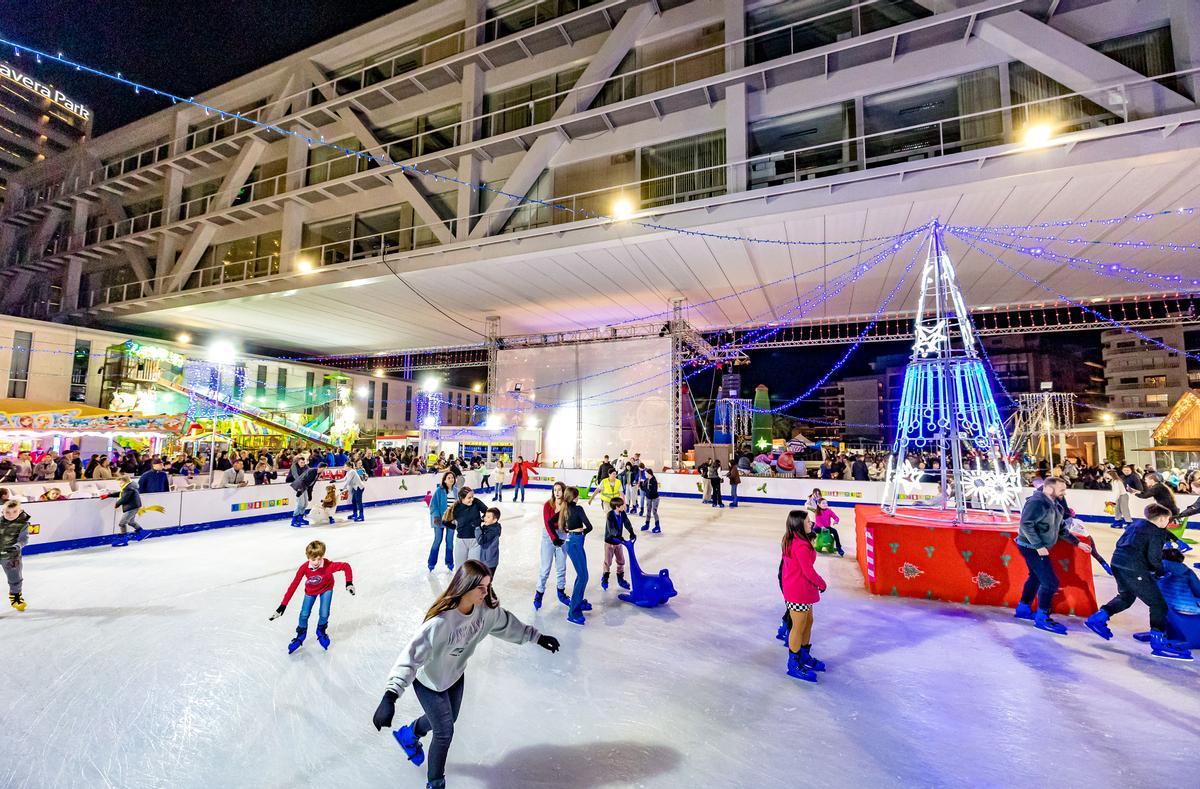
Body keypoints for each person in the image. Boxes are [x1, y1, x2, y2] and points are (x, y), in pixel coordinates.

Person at [372, 561, 560, 789]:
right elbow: (410, 657)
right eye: (480, 587)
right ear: (465, 586)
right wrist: (390, 696)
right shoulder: (440, 623)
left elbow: (508, 624)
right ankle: (435, 783)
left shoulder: (486, 612)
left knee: (449, 720)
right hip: (428, 681)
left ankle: (409, 734)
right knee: (444, 733)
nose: (486, 592)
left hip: (455, 676)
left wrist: (537, 637)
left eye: (488, 586)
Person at [1084, 503, 1190, 660]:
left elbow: (1122, 542)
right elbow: (1154, 558)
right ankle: (1158, 641)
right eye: (1167, 520)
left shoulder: (1138, 523)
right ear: (1161, 519)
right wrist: (1160, 572)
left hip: (1118, 562)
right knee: (1158, 605)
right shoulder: (1157, 532)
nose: (1168, 523)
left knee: (1126, 597)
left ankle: (1097, 618)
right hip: (1134, 569)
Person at [1014, 477, 1092, 635]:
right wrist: (1038, 545)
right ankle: (1042, 618)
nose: (1064, 492)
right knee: (1050, 583)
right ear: (1049, 489)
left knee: (1035, 577)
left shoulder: (1055, 503)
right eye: (1062, 489)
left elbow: (1061, 528)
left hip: (1037, 547)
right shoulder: (1037, 503)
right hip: (1031, 547)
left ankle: (1023, 608)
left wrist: (1077, 543)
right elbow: (1026, 525)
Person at [269, 539, 354, 653]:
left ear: (322, 556)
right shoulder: (304, 568)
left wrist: (349, 582)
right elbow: (294, 585)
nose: (316, 562)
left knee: (324, 613)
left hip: (326, 588)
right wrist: (282, 606)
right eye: (313, 559)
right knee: (304, 614)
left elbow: (346, 566)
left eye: (319, 558)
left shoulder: (328, 565)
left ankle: (321, 631)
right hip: (311, 590)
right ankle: (300, 635)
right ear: (308, 557)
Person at [781, 509, 826, 682]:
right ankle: (793, 663)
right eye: (808, 521)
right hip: (797, 590)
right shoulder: (800, 545)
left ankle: (804, 655)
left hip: (802, 588)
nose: (811, 523)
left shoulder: (795, 539)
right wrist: (822, 583)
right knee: (798, 626)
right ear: (799, 525)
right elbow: (808, 571)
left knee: (808, 621)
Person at [560, 486, 594, 625]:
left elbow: (556, 524)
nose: (578, 498)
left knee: (581, 575)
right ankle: (573, 612)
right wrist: (582, 533)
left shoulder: (564, 509)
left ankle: (577, 602)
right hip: (575, 542)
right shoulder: (578, 509)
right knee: (583, 576)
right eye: (578, 496)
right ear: (574, 497)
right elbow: (589, 526)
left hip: (572, 541)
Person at [535, 482, 569, 610]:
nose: (557, 492)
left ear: (564, 491)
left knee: (561, 567)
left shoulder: (567, 506)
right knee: (545, 569)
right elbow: (547, 523)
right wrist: (554, 538)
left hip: (562, 536)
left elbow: (569, 523)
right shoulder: (547, 505)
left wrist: (566, 532)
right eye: (555, 490)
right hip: (549, 537)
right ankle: (539, 593)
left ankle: (561, 592)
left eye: (559, 490)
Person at [601, 496, 636, 591]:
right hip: (610, 542)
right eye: (622, 505)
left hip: (618, 542)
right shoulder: (610, 515)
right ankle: (605, 578)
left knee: (621, 561)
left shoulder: (622, 513)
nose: (624, 506)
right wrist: (617, 535)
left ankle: (620, 579)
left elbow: (627, 523)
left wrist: (631, 532)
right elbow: (611, 528)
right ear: (617, 506)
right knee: (608, 562)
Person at [1, 499, 31, 611]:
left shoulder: (22, 525)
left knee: (15, 577)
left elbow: (24, 539)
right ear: (2, 511)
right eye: (7, 512)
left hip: (11, 556)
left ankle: (16, 597)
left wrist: (16, 546)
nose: (10, 515)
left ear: (20, 511)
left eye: (14, 511)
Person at [448, 487, 488, 568]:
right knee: (460, 567)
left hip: (476, 540)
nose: (472, 499)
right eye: (469, 498)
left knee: (474, 568)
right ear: (462, 498)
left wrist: (481, 519)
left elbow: (487, 512)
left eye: (472, 496)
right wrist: (455, 527)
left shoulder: (476, 502)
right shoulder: (456, 507)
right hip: (461, 541)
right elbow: (445, 521)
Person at [427, 472, 456, 572]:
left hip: (451, 521)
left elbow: (459, 506)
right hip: (439, 520)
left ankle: (449, 562)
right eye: (449, 478)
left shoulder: (456, 491)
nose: (451, 479)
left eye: (452, 477)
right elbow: (433, 505)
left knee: (449, 542)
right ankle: (431, 563)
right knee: (437, 540)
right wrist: (437, 517)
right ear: (444, 480)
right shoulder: (439, 491)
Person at [112, 478, 147, 547]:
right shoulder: (129, 487)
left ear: (125, 481)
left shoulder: (128, 488)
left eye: (120, 482)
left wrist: (117, 504)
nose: (119, 484)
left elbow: (124, 498)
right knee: (131, 522)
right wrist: (108, 495)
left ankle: (123, 540)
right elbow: (121, 493)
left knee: (122, 523)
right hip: (134, 506)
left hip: (132, 507)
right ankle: (142, 533)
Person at [288, 459, 321, 528]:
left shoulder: (308, 468)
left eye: (304, 462)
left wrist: (310, 494)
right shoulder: (294, 467)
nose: (303, 464)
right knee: (300, 504)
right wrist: (299, 489)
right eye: (301, 462)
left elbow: (311, 483)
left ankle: (300, 518)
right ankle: (294, 521)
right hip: (299, 487)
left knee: (305, 504)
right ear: (298, 462)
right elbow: (300, 479)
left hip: (304, 487)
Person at [477, 507, 502, 578]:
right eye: (485, 516)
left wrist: (477, 527)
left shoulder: (493, 531)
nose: (485, 518)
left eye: (488, 517)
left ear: (494, 520)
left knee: (486, 582)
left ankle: (488, 588)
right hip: (486, 560)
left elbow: (481, 540)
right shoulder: (488, 527)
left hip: (489, 562)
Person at [640, 466, 662, 533]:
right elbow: (644, 489)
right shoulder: (646, 480)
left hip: (655, 498)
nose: (645, 475)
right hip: (648, 498)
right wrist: (641, 485)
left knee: (654, 511)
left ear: (649, 474)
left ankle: (658, 526)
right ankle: (647, 524)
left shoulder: (654, 481)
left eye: (646, 474)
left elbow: (653, 491)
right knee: (648, 511)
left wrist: (646, 490)